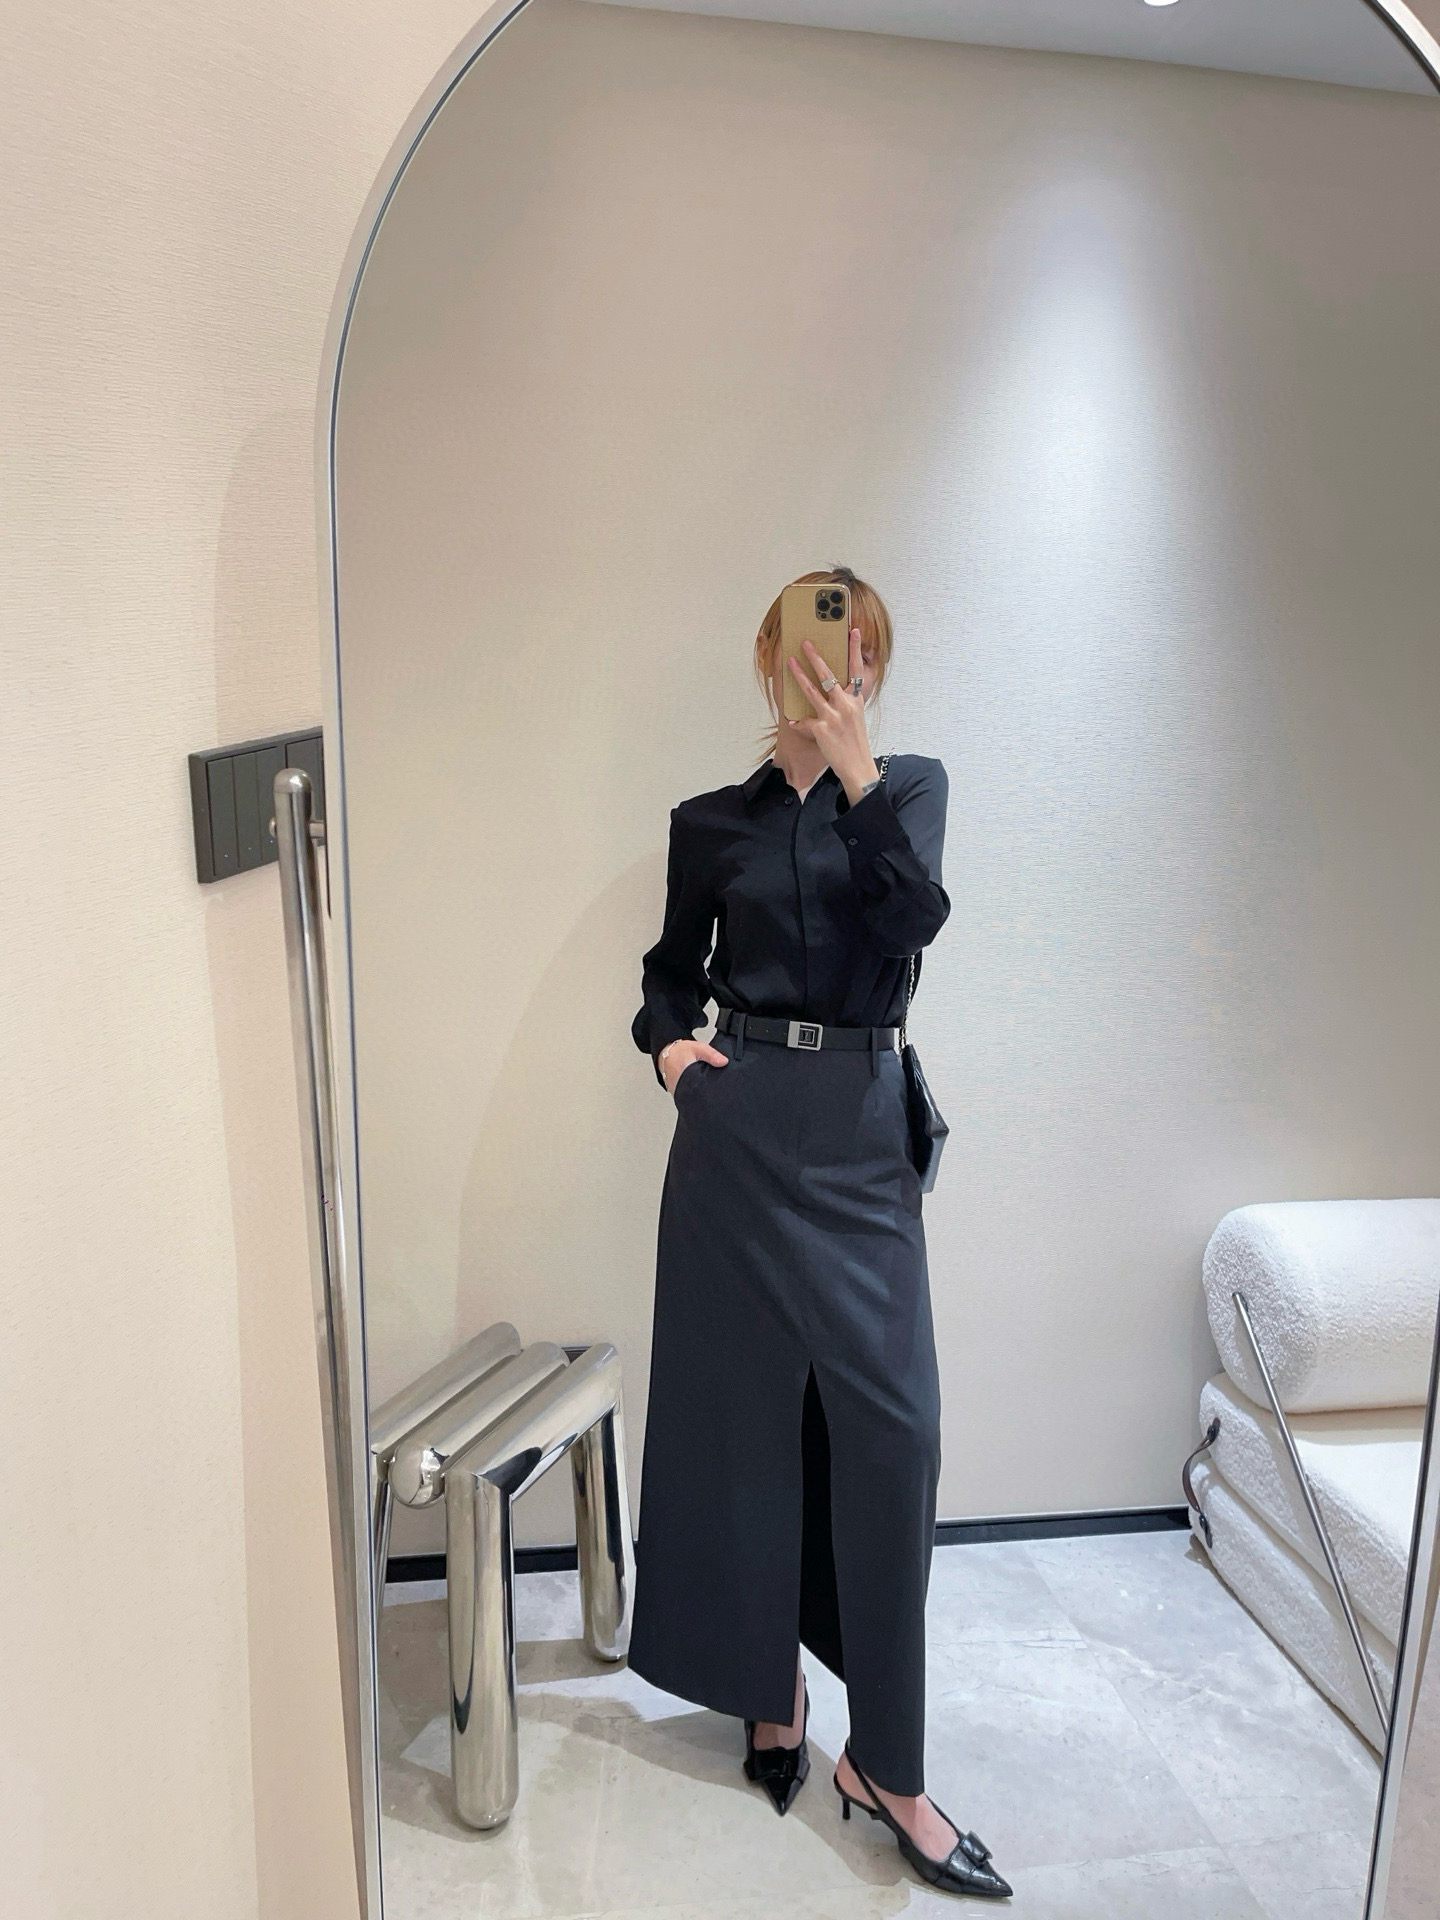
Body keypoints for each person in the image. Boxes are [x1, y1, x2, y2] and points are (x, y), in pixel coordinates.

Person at [627, 568, 1012, 1901]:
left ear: (872, 668)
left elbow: (913, 927)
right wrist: (673, 1054)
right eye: (808, 642)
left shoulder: (907, 791)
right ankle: (768, 1688)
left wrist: (854, 779)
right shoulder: (709, 823)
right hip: (735, 1137)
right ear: (769, 657)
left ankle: (885, 1768)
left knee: (892, 1434)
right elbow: (668, 973)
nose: (832, 666)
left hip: (858, 1133)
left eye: (858, 650)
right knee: (740, 1424)